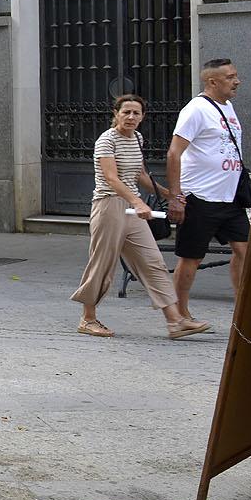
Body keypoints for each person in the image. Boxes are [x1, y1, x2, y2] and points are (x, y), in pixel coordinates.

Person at [71, 95, 208, 339]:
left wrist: (170, 195)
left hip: (133, 210)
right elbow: (112, 178)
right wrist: (137, 201)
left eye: (136, 113)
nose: (131, 117)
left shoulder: (136, 138)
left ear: (143, 117)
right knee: (102, 263)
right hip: (109, 206)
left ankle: (175, 321)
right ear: (116, 114)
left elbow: (140, 175)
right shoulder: (106, 140)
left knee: (152, 261)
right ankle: (88, 319)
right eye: (126, 112)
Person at [166, 59, 249, 322]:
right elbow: (173, 153)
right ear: (213, 82)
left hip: (230, 197)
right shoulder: (196, 110)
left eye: (236, 76)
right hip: (200, 197)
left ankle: (243, 307)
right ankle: (180, 314)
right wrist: (177, 197)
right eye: (230, 77)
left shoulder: (228, 107)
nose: (237, 81)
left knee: (246, 250)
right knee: (192, 257)